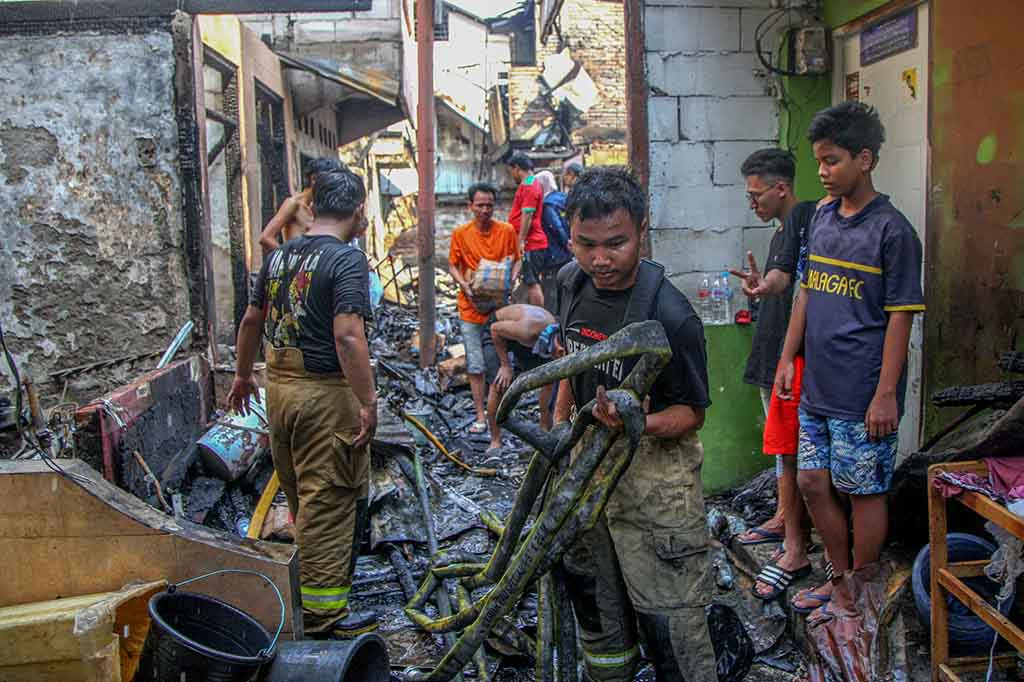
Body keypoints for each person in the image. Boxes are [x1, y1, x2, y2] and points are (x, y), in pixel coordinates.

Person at [554, 167, 716, 682]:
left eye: (616, 243)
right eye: (587, 244)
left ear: (642, 230)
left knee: (671, 627)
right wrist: (561, 429)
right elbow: (569, 363)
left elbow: (693, 414)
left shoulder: (671, 315)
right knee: (599, 613)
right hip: (585, 469)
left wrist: (634, 423)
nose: (600, 259)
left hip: (654, 484)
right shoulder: (568, 284)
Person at [774, 102, 924, 627]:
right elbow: (806, 291)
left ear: (865, 160)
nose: (822, 172)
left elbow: (901, 320)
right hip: (818, 384)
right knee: (813, 483)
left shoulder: (894, 232)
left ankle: (859, 594)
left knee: (864, 492)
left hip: (864, 394)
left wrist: (886, 392)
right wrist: (789, 357)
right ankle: (839, 580)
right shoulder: (820, 217)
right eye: (818, 161)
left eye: (832, 161)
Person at [228, 168, 379, 639]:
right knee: (327, 503)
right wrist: (368, 402)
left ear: (311, 208)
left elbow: (252, 319)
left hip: (279, 390)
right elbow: (348, 336)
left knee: (299, 496)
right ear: (358, 212)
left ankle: (300, 599)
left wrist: (240, 375)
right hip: (324, 394)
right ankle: (319, 621)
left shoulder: (279, 256)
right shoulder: (346, 261)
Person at [728, 149, 819, 600]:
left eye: (755, 192)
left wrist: (769, 283)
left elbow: (786, 280)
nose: (752, 202)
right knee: (784, 452)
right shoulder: (782, 231)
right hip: (773, 355)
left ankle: (795, 543)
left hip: (791, 359)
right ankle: (785, 519)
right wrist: (761, 286)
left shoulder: (802, 216)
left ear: (780, 187)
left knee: (792, 453)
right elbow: (779, 282)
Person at [449, 182, 522, 436]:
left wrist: (512, 280)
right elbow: (453, 266)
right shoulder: (461, 233)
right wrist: (463, 285)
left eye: (489, 205)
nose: (485, 210)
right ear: (470, 206)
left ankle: (500, 414)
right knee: (476, 365)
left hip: (498, 310)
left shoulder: (507, 231)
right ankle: (481, 415)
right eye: (480, 205)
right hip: (470, 309)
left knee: (499, 363)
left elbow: (517, 260)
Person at [484, 303, 562, 454]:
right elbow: (495, 329)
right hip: (496, 331)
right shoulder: (527, 331)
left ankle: (544, 429)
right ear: (558, 350)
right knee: (500, 383)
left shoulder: (555, 331)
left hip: (525, 337)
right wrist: (505, 365)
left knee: (549, 378)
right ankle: (495, 440)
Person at [259, 158, 345, 253]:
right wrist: (290, 259)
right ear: (314, 179)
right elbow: (266, 238)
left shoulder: (318, 208)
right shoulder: (293, 203)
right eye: (329, 181)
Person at [506, 152, 548, 307]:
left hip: (531, 243)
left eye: (511, 171)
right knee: (528, 281)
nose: (512, 176)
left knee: (532, 282)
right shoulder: (530, 184)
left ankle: (539, 319)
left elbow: (527, 214)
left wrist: (520, 241)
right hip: (530, 242)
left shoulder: (530, 185)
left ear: (517, 168)